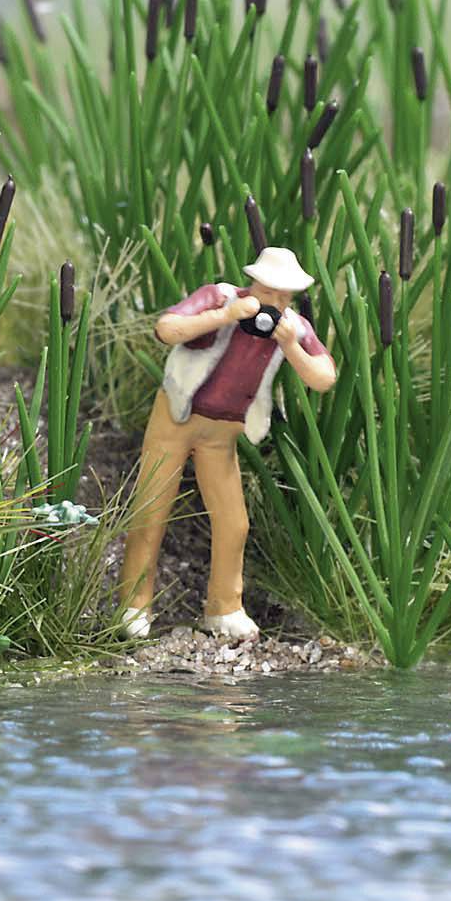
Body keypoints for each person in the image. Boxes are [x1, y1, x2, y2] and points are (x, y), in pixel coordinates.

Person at [118, 245, 336, 641]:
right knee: (152, 509)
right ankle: (134, 606)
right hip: (176, 418)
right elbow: (167, 329)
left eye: (285, 296)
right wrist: (224, 316)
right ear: (253, 282)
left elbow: (323, 378)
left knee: (234, 522)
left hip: (223, 435)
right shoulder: (219, 297)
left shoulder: (293, 327)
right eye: (269, 292)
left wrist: (289, 345)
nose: (275, 303)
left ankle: (224, 608)